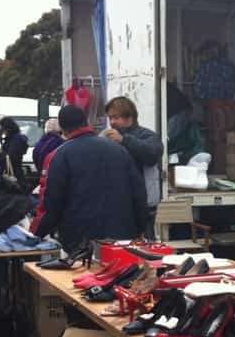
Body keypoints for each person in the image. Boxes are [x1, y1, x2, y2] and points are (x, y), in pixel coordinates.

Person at [35, 105, 148, 251]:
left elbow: (51, 203)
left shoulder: (59, 155)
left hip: (80, 241)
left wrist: (35, 235)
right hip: (122, 237)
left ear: (62, 129)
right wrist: (140, 228)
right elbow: (138, 193)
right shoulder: (120, 151)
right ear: (87, 122)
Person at [101, 96, 163, 239]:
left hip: (143, 207)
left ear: (129, 116)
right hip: (116, 205)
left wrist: (124, 140)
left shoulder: (148, 135)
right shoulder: (107, 138)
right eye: (110, 118)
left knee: (144, 247)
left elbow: (152, 154)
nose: (112, 122)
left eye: (116, 117)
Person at [0, 117, 29, 186]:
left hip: (13, 173)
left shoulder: (15, 140)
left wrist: (0, 155)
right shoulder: (16, 138)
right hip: (16, 172)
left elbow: (11, 157)